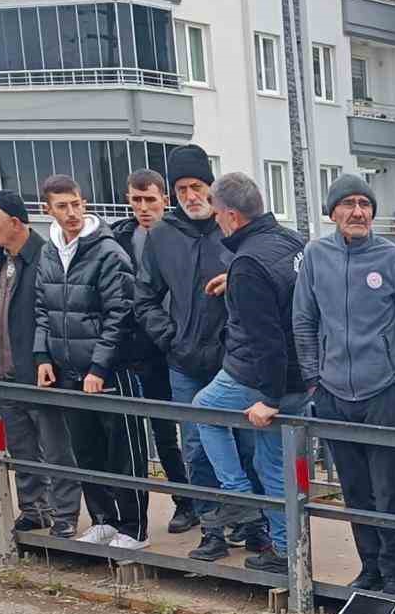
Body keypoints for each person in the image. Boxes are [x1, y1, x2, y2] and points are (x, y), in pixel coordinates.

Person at [294, 173, 395, 597]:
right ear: (333, 211)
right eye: (348, 204)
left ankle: (394, 573)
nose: (358, 211)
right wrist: (315, 382)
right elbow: (304, 321)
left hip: (383, 393)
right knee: (354, 491)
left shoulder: (393, 259)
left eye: (365, 204)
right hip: (334, 394)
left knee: (388, 492)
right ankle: (369, 568)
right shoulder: (316, 256)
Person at [193, 172, 309, 576]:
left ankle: (236, 495)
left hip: (261, 377)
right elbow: (289, 296)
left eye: (216, 213)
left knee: (204, 410)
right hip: (303, 373)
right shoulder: (291, 241)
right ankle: (285, 549)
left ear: (231, 216)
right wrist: (237, 282)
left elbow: (267, 340)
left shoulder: (247, 264)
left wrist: (270, 400)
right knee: (274, 465)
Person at [134, 145, 236, 563]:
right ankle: (212, 528)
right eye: (182, 188)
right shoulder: (162, 234)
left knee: (244, 445)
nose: (191, 195)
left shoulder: (231, 227)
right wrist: (169, 339)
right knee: (195, 448)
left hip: (234, 360)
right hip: (185, 361)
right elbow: (143, 296)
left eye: (197, 186)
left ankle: (252, 525)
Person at [33, 173, 143, 543]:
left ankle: (134, 526)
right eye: (62, 206)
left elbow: (120, 313)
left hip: (109, 369)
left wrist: (99, 366)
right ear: (47, 210)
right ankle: (103, 519)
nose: (71, 213)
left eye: (76, 204)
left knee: (123, 449)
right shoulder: (49, 251)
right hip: (67, 366)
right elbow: (42, 308)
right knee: (85, 448)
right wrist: (42, 355)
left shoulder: (107, 251)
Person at [0, 190, 81, 536]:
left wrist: (43, 358)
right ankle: (34, 507)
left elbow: (52, 315)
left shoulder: (44, 258)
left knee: (55, 448)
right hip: (5, 371)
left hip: (38, 371)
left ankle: (64, 514)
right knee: (21, 448)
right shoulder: (0, 258)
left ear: (15, 223)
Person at [111, 169, 195, 536]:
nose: (143, 207)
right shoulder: (118, 238)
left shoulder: (178, 236)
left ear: (165, 199)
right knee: (130, 436)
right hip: (130, 349)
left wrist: (169, 338)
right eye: (136, 200)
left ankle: (187, 502)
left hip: (167, 349)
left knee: (169, 433)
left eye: (150, 199)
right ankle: (131, 514)